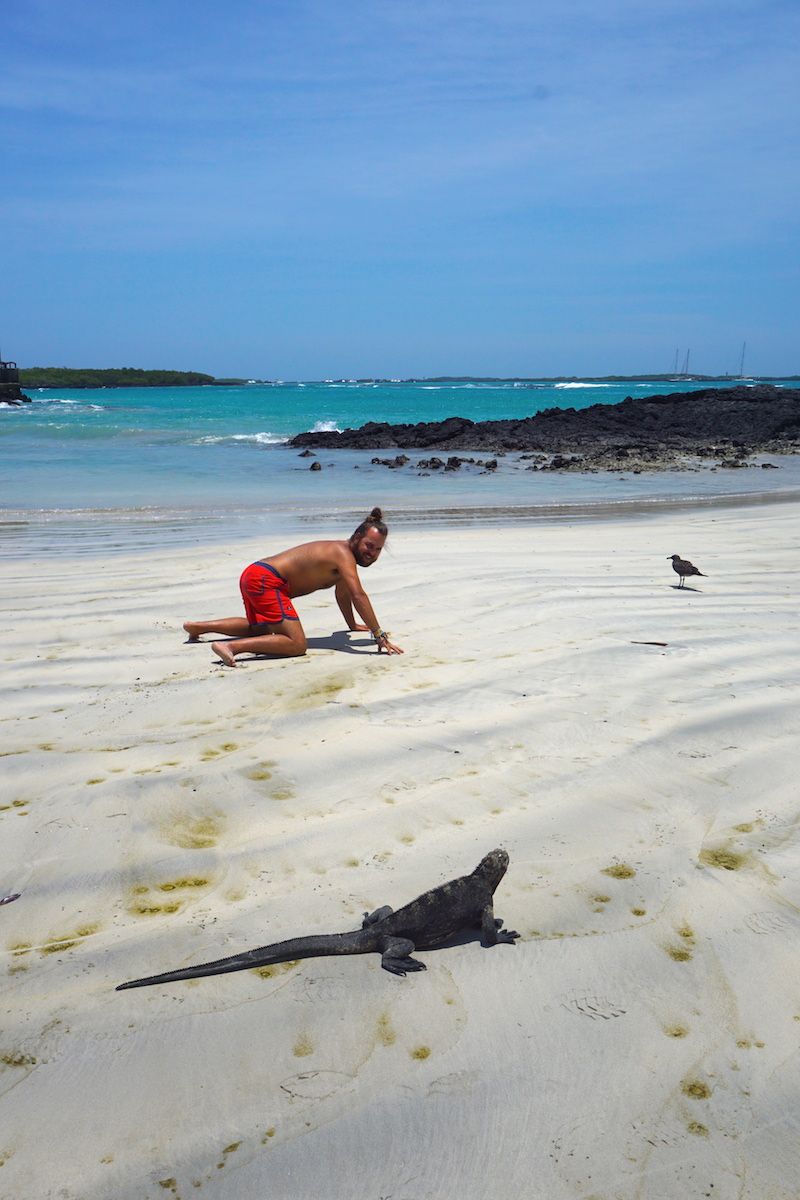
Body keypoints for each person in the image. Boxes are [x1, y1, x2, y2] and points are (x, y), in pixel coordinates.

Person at [183, 507, 404, 666]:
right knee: (297, 644)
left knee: (260, 629)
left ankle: (199, 627)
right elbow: (358, 595)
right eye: (369, 545)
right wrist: (378, 634)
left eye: (377, 549)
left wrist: (352, 625)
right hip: (267, 580)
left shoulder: (345, 560)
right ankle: (231, 647)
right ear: (356, 537)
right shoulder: (342, 553)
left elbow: (344, 594)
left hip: (255, 574)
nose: (372, 552)